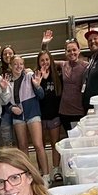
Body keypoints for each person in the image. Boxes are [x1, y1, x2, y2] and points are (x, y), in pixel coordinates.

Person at [0, 55, 49, 176]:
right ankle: (28, 174)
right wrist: (12, 108)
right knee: (22, 147)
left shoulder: (29, 76)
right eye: (15, 64)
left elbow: (41, 95)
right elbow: (4, 103)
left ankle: (46, 176)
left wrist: (37, 85)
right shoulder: (7, 81)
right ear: (10, 66)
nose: (18, 66)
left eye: (21, 64)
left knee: (38, 144)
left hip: (33, 114)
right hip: (18, 117)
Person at [34, 37, 63, 178]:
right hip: (39, 117)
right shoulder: (35, 76)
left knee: (55, 143)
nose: (45, 62)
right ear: (38, 63)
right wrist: (41, 81)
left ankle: (56, 170)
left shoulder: (57, 75)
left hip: (54, 115)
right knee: (39, 146)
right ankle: (42, 171)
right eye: (42, 60)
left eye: (47, 59)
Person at [58, 39, 89, 133]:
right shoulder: (63, 65)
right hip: (64, 111)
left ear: (79, 50)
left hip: (79, 111)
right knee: (71, 140)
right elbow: (46, 61)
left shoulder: (86, 66)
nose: (72, 53)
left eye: (74, 50)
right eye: (69, 50)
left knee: (81, 141)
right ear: (65, 52)